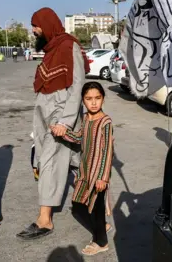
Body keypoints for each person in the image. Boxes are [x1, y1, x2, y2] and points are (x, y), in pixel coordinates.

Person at [15, 7, 90, 241]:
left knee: (48, 162)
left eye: (36, 25)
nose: (34, 30)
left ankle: (44, 220)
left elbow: (77, 87)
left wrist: (65, 123)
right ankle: (97, 213)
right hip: (44, 115)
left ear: (47, 24)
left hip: (60, 117)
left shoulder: (70, 47)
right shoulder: (50, 49)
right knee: (74, 163)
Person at [50, 82, 114, 256]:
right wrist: (62, 132)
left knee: (96, 208)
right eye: (89, 99)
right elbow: (79, 138)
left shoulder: (105, 122)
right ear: (83, 101)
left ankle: (101, 242)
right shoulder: (86, 118)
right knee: (78, 206)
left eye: (97, 98)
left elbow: (107, 151)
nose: (93, 103)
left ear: (103, 99)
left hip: (98, 176)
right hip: (84, 172)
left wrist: (103, 178)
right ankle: (101, 227)